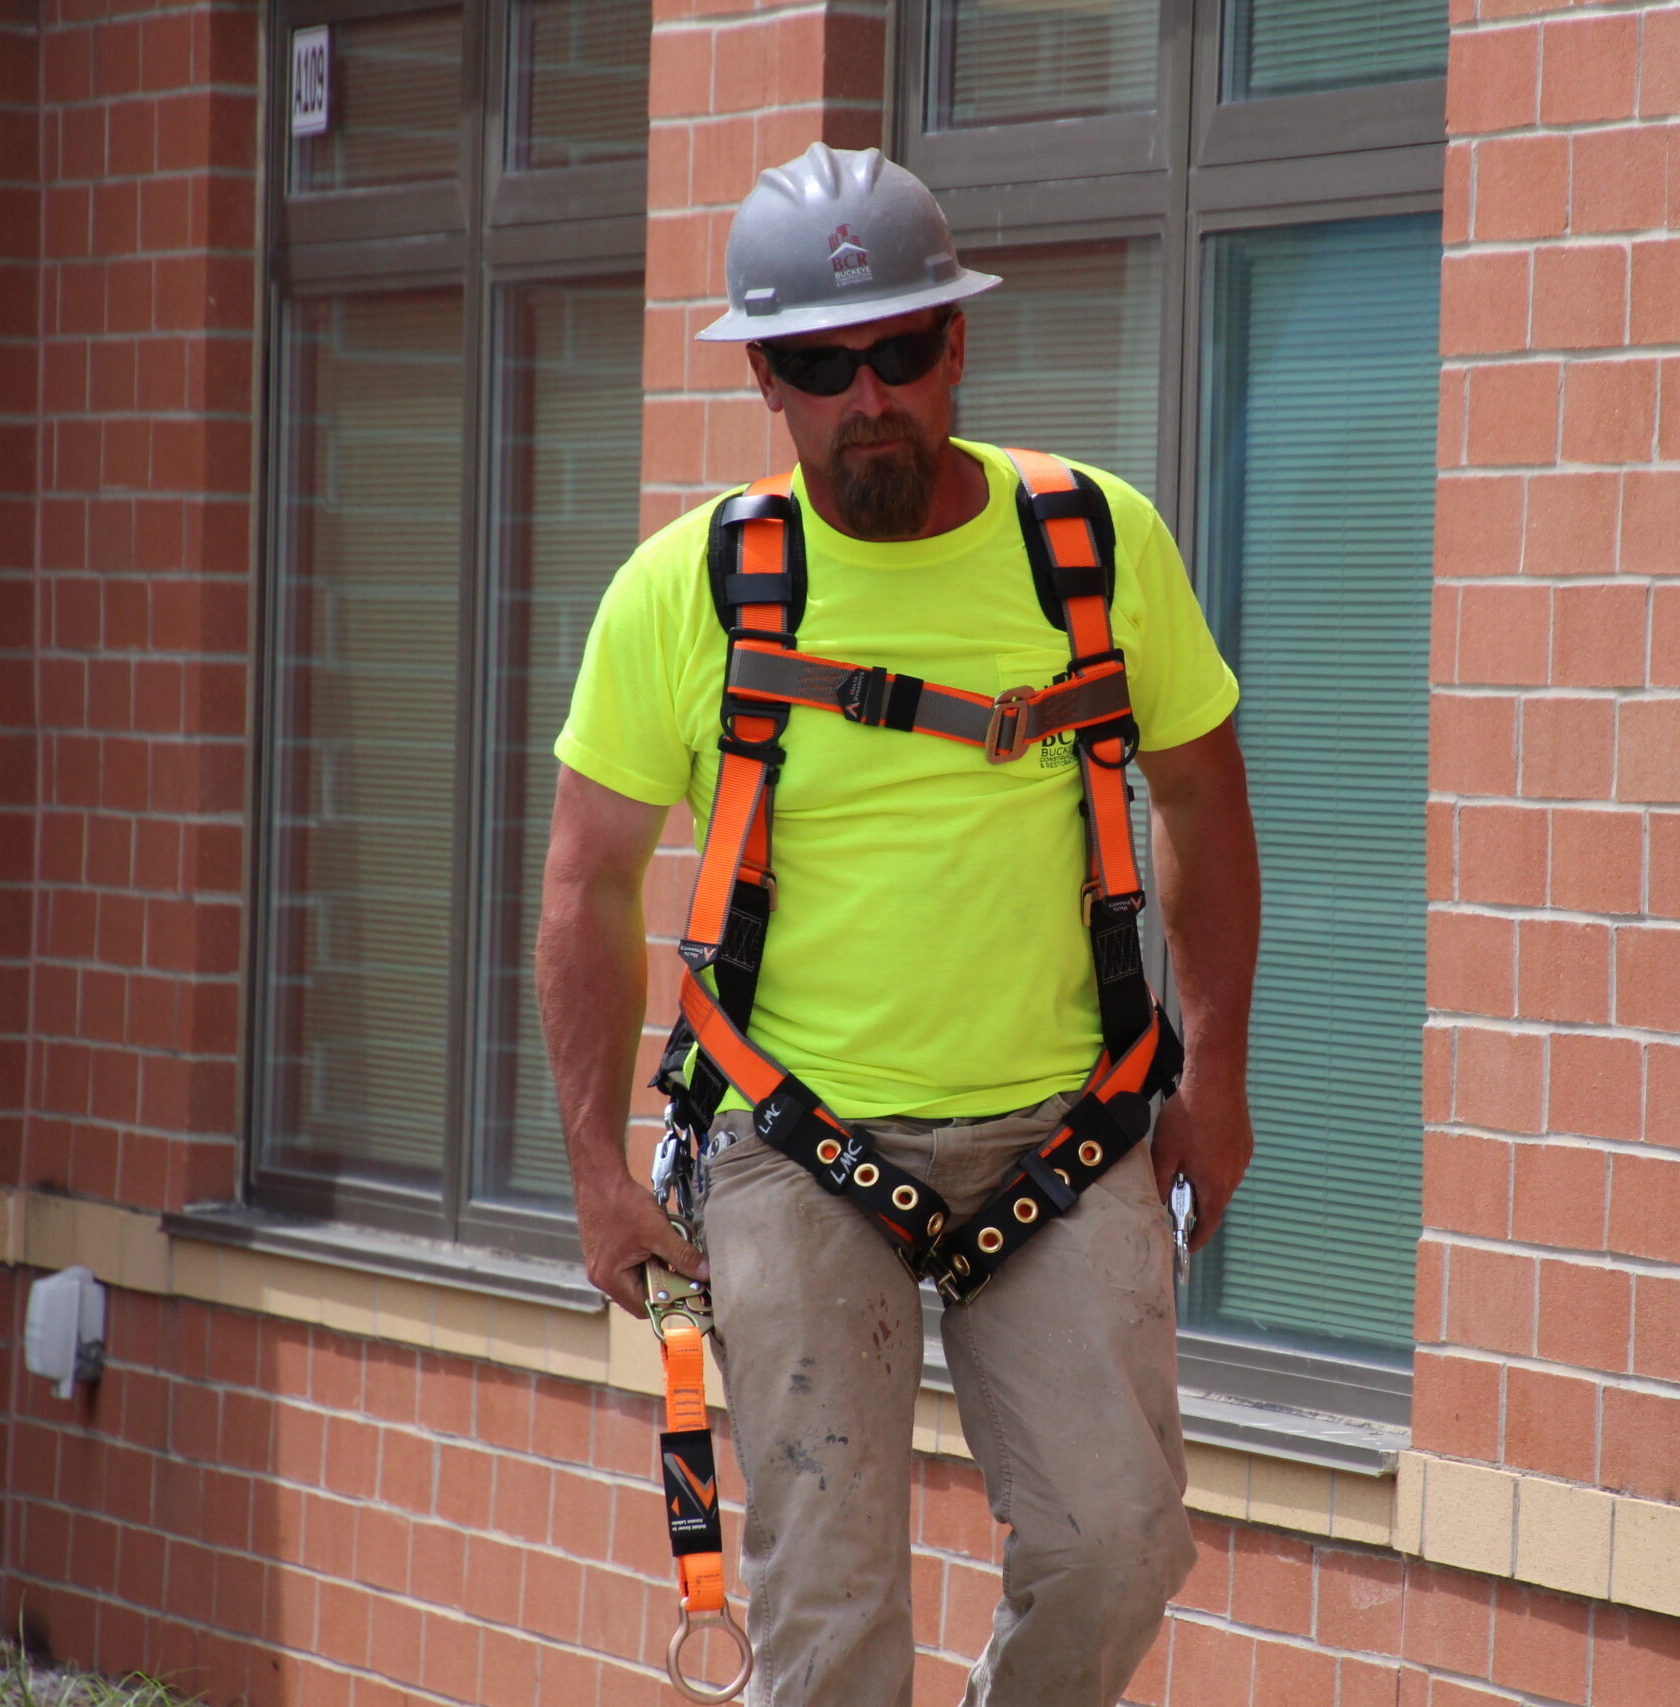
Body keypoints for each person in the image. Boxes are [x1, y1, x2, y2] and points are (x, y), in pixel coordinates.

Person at [536, 142, 1259, 1707]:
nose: (869, 394)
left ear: (957, 346)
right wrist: (598, 1172)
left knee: (1120, 1541)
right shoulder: (692, 592)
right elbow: (587, 881)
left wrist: (1219, 1075)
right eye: (819, 361)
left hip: (1072, 1129)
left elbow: (1204, 805)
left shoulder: (1094, 544)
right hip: (794, 1144)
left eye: (902, 349)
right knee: (833, 1616)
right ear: (768, 384)